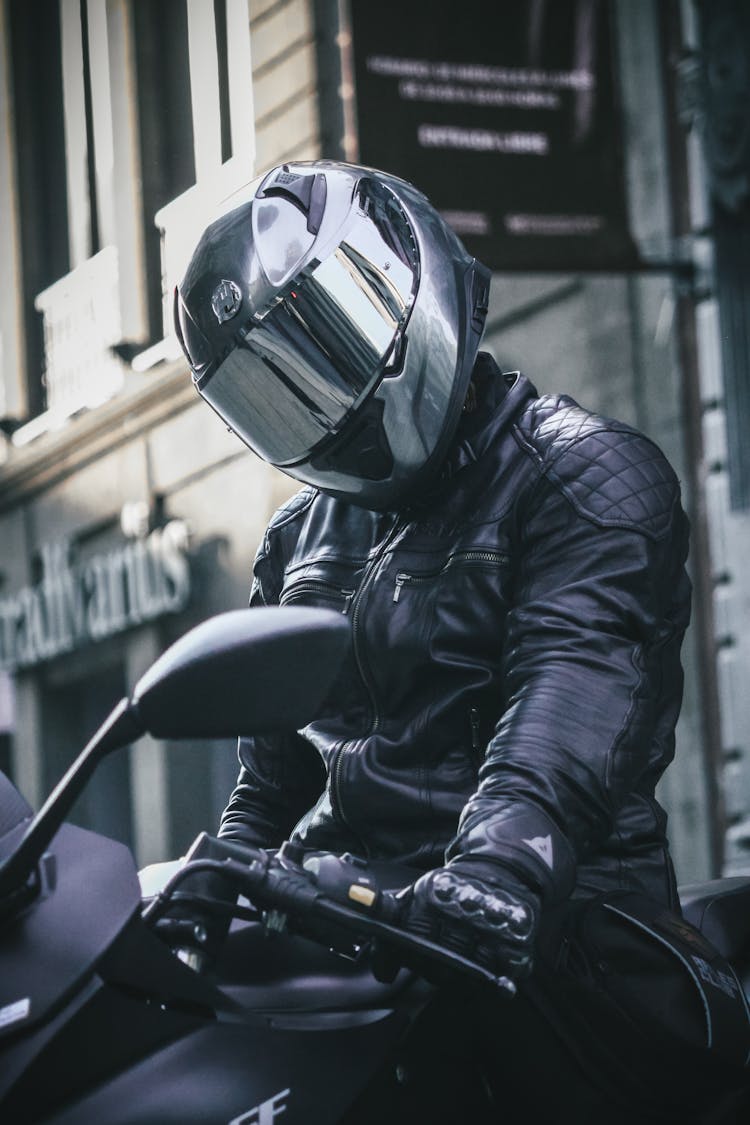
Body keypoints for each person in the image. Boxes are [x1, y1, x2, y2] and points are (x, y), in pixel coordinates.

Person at [173, 160, 735, 1121]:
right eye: (278, 392)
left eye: (329, 347)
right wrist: (200, 889)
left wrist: (497, 872)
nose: (323, 408)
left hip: (554, 961)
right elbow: (271, 784)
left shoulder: (586, 479)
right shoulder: (296, 538)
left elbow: (561, 718)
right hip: (352, 959)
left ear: (405, 272)